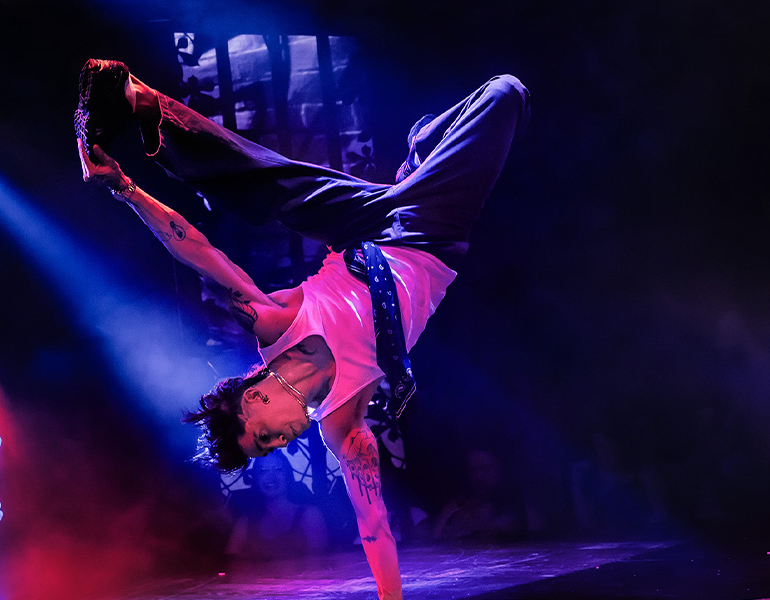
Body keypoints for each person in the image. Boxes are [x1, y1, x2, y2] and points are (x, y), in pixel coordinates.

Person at [75, 58, 528, 600]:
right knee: (507, 93)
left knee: (271, 189)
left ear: (253, 400)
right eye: (270, 448)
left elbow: (198, 250)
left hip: (360, 226)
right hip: (426, 236)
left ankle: (133, 95)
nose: (281, 442)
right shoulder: (342, 424)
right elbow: (374, 528)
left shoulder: (273, 326)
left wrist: (125, 187)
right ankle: (423, 149)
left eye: (264, 436)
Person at [225, 452, 328, 561]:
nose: (271, 477)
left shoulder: (309, 514)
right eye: (263, 470)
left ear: (288, 475)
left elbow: (320, 560)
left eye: (278, 469)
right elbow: (230, 562)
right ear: (255, 479)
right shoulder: (245, 523)